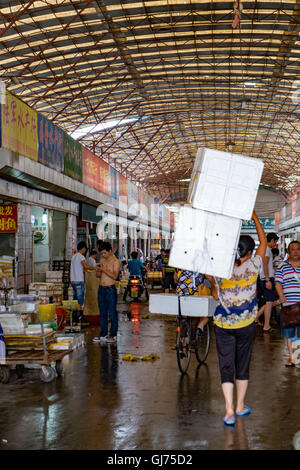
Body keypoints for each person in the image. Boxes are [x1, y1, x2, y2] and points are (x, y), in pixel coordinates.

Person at [209, 210, 267, 426]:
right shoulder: (253, 266)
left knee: (226, 366)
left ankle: (229, 410)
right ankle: (241, 405)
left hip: (223, 325)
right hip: (246, 325)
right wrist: (254, 217)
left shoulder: (220, 270)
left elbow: (215, 292)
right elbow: (263, 241)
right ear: (250, 252)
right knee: (242, 364)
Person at [275, 240, 300, 367]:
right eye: (293, 249)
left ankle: (298, 357)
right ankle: (291, 358)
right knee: (289, 334)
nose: (295, 251)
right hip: (288, 305)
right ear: (288, 252)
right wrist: (281, 295)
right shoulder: (282, 266)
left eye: (298, 249)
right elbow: (278, 282)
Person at [93, 242, 121, 344]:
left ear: (110, 251)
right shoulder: (102, 260)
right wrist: (98, 270)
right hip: (101, 289)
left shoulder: (116, 261)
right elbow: (98, 275)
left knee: (112, 313)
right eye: (102, 254)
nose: (103, 255)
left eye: (105, 253)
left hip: (110, 289)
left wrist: (104, 269)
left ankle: (113, 334)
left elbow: (114, 276)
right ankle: (103, 334)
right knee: (102, 313)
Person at [255, 232, 279, 332]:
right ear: (272, 240)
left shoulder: (266, 249)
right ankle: (266, 325)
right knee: (269, 302)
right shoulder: (267, 250)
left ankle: (256, 318)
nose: (276, 244)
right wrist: (268, 279)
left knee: (270, 302)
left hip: (266, 278)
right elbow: (265, 265)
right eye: (275, 241)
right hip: (267, 279)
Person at [174, 269, 209, 333]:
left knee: (182, 316)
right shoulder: (199, 270)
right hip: (195, 298)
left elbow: (175, 280)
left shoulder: (180, 270)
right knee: (197, 316)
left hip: (181, 298)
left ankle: (181, 339)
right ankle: (196, 331)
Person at [70, 241, 98, 320]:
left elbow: (80, 267)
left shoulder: (73, 256)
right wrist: (95, 268)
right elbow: (85, 266)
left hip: (73, 280)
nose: (85, 251)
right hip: (79, 280)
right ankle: (79, 317)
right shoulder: (81, 256)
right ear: (83, 248)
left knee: (75, 298)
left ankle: (75, 316)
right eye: (85, 249)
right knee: (80, 299)